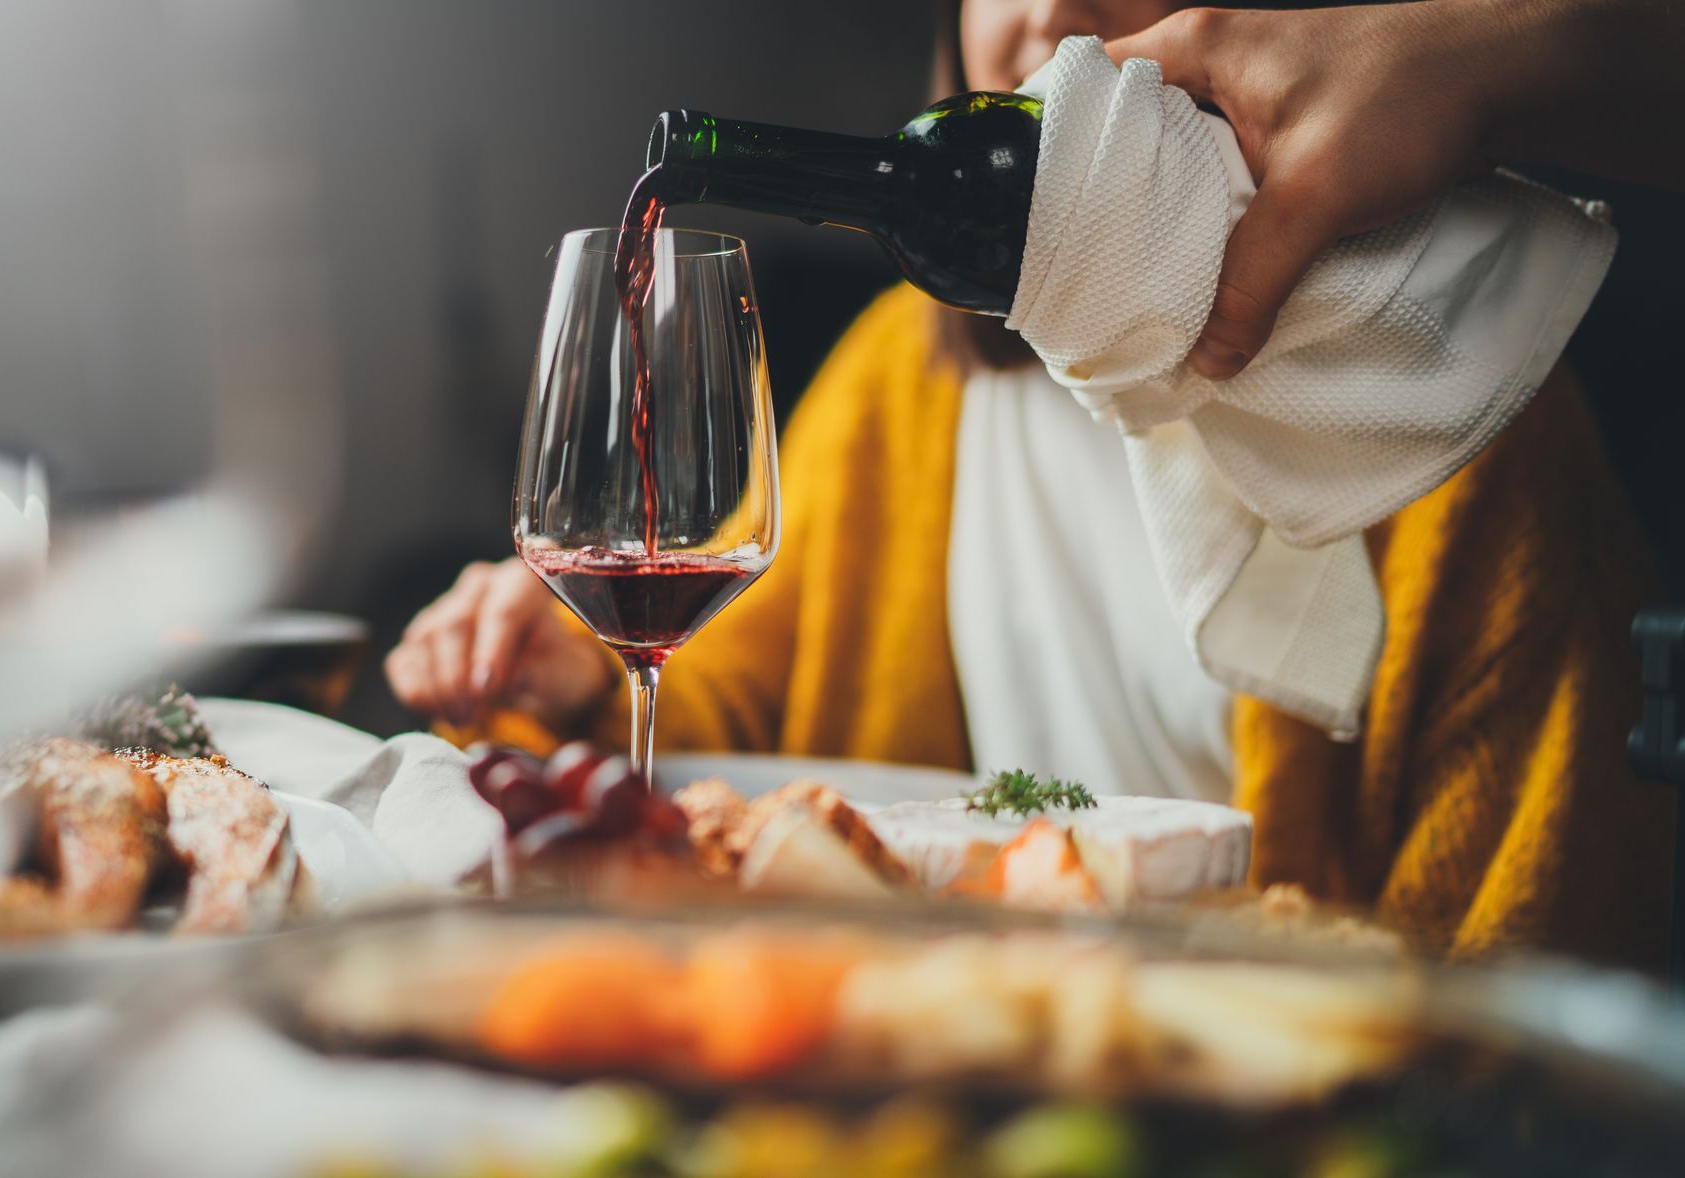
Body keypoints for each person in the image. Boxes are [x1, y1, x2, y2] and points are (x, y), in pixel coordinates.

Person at [387, 0, 1676, 970]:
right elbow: (747, 716)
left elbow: (1525, 980)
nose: (1049, 15)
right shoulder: (907, 378)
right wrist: (574, 688)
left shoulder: (1450, 404)